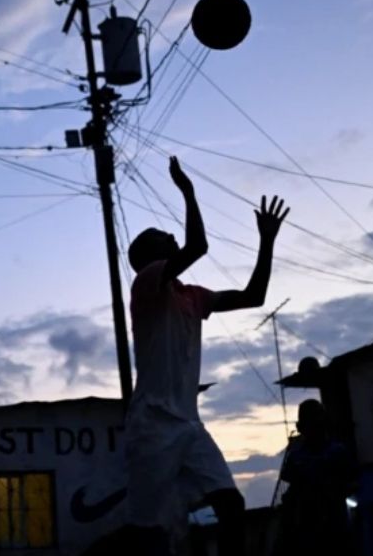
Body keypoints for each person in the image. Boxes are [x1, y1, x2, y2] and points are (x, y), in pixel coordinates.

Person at [124, 156, 289, 556]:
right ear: (150, 256)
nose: (170, 235)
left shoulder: (192, 296)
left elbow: (254, 296)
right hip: (152, 426)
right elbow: (198, 245)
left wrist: (266, 241)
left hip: (188, 425)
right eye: (162, 235)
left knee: (230, 505)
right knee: (149, 533)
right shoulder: (147, 284)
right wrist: (188, 192)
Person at [276, 399, 355, 556]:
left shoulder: (337, 452)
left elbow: (352, 483)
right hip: (306, 530)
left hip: (334, 527)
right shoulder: (296, 456)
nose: (312, 431)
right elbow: (289, 491)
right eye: (308, 426)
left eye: (315, 425)